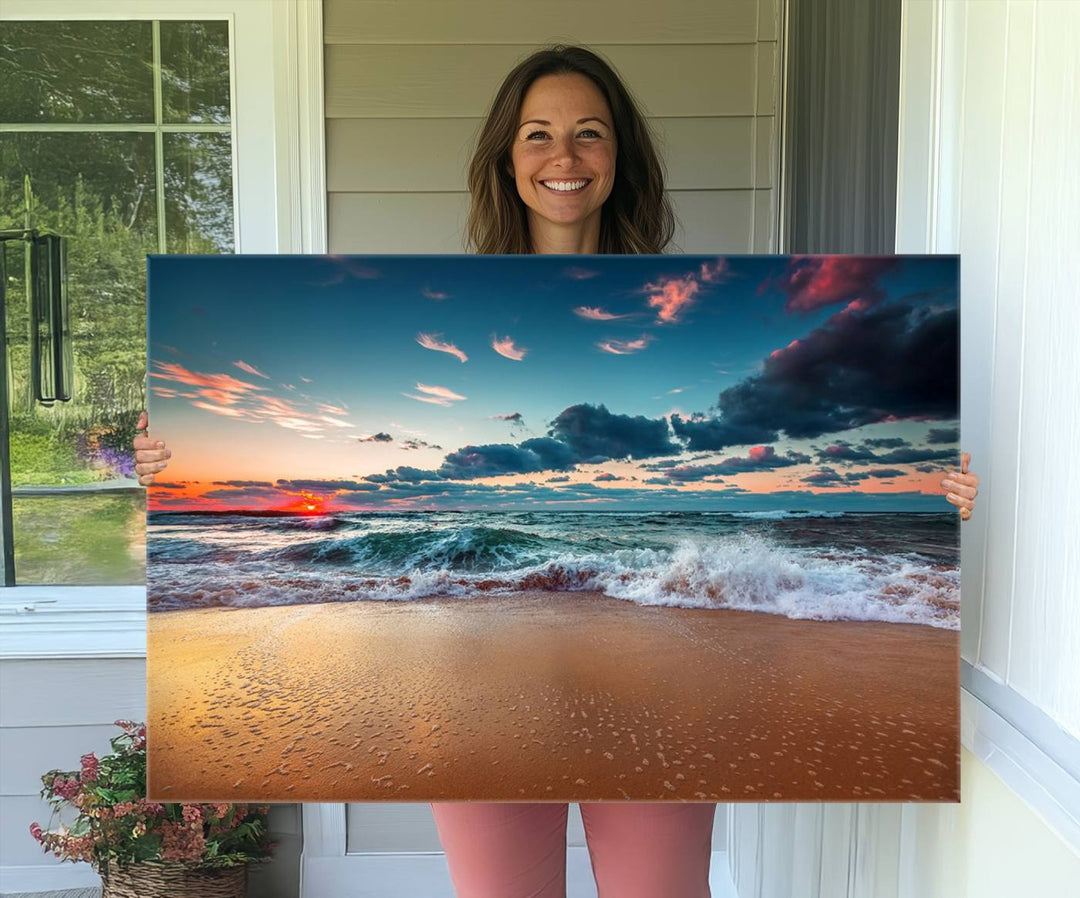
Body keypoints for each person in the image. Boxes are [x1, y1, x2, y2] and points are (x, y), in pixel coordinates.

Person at [134, 45, 979, 898]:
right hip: (473, 666)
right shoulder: (445, 306)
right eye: (538, 135)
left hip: (661, 670)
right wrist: (162, 461)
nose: (564, 157)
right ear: (507, 157)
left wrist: (938, 490)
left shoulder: (690, 295)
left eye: (589, 134)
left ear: (620, 158)